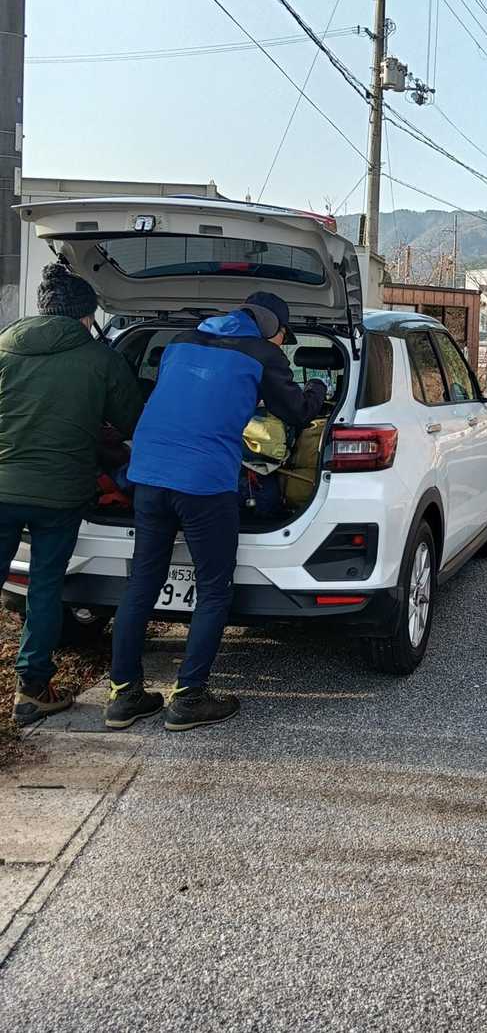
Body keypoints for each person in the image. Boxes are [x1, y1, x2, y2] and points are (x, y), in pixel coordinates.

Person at [106, 292, 326, 733]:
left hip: (148, 473)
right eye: (283, 336)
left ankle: (123, 696)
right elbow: (298, 412)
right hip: (204, 483)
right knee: (213, 588)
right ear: (271, 327)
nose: (281, 344)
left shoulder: (181, 342)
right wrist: (317, 388)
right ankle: (189, 698)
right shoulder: (263, 355)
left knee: (142, 582)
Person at [0, 265, 143, 726]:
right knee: (45, 588)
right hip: (59, 497)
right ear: (86, 317)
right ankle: (32, 690)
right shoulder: (100, 359)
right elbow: (132, 422)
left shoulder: (4, 346)